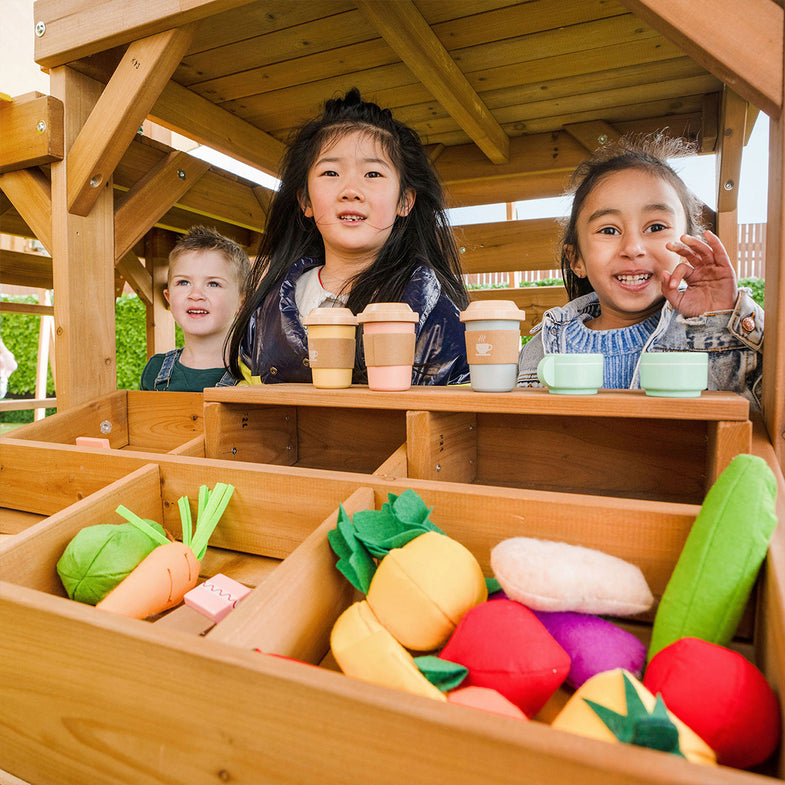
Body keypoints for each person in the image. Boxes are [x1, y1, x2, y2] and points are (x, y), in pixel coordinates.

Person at [227, 88, 470, 386]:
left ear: (404, 202)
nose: (350, 190)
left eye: (372, 174)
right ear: (305, 201)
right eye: (331, 173)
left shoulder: (434, 307)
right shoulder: (268, 307)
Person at [517, 136, 764, 408]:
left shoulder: (715, 328)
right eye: (609, 230)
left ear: (689, 247)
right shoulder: (543, 346)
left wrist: (721, 318)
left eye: (656, 227)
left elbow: (758, 412)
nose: (632, 248)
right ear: (577, 260)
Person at [140, 226, 250, 391]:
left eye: (213, 283)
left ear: (242, 303)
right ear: (168, 297)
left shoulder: (255, 374)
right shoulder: (154, 370)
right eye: (183, 282)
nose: (195, 294)